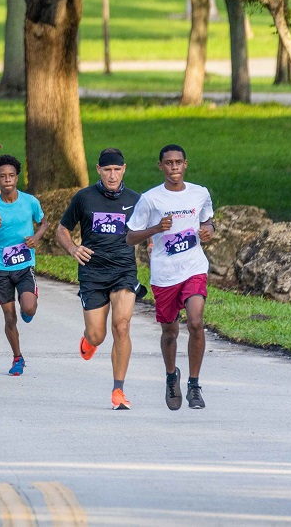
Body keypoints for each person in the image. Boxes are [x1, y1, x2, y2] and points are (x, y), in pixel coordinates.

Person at [127, 144, 215, 411]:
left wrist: (209, 228)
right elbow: (130, 236)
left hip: (194, 267)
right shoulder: (151, 199)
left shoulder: (200, 193)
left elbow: (209, 219)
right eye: (169, 163)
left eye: (178, 162)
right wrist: (156, 228)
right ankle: (170, 376)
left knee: (196, 322)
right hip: (165, 274)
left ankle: (194, 384)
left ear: (185, 164)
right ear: (160, 166)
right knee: (170, 332)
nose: (174, 167)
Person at [55, 147, 142, 411]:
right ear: (98, 170)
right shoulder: (84, 198)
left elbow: (149, 228)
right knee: (97, 335)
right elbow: (62, 230)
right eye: (107, 170)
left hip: (124, 271)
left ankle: (118, 391)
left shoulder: (136, 200)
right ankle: (89, 341)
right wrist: (73, 248)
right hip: (93, 272)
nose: (113, 175)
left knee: (122, 326)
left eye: (117, 169)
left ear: (124, 169)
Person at [0, 154, 46, 376]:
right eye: (3, 176)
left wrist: (36, 237)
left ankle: (28, 303)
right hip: (1, 268)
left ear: (17, 177)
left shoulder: (30, 201)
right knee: (9, 317)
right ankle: (18, 357)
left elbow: (44, 222)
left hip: (24, 264)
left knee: (28, 309)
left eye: (11, 175)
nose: (7, 179)